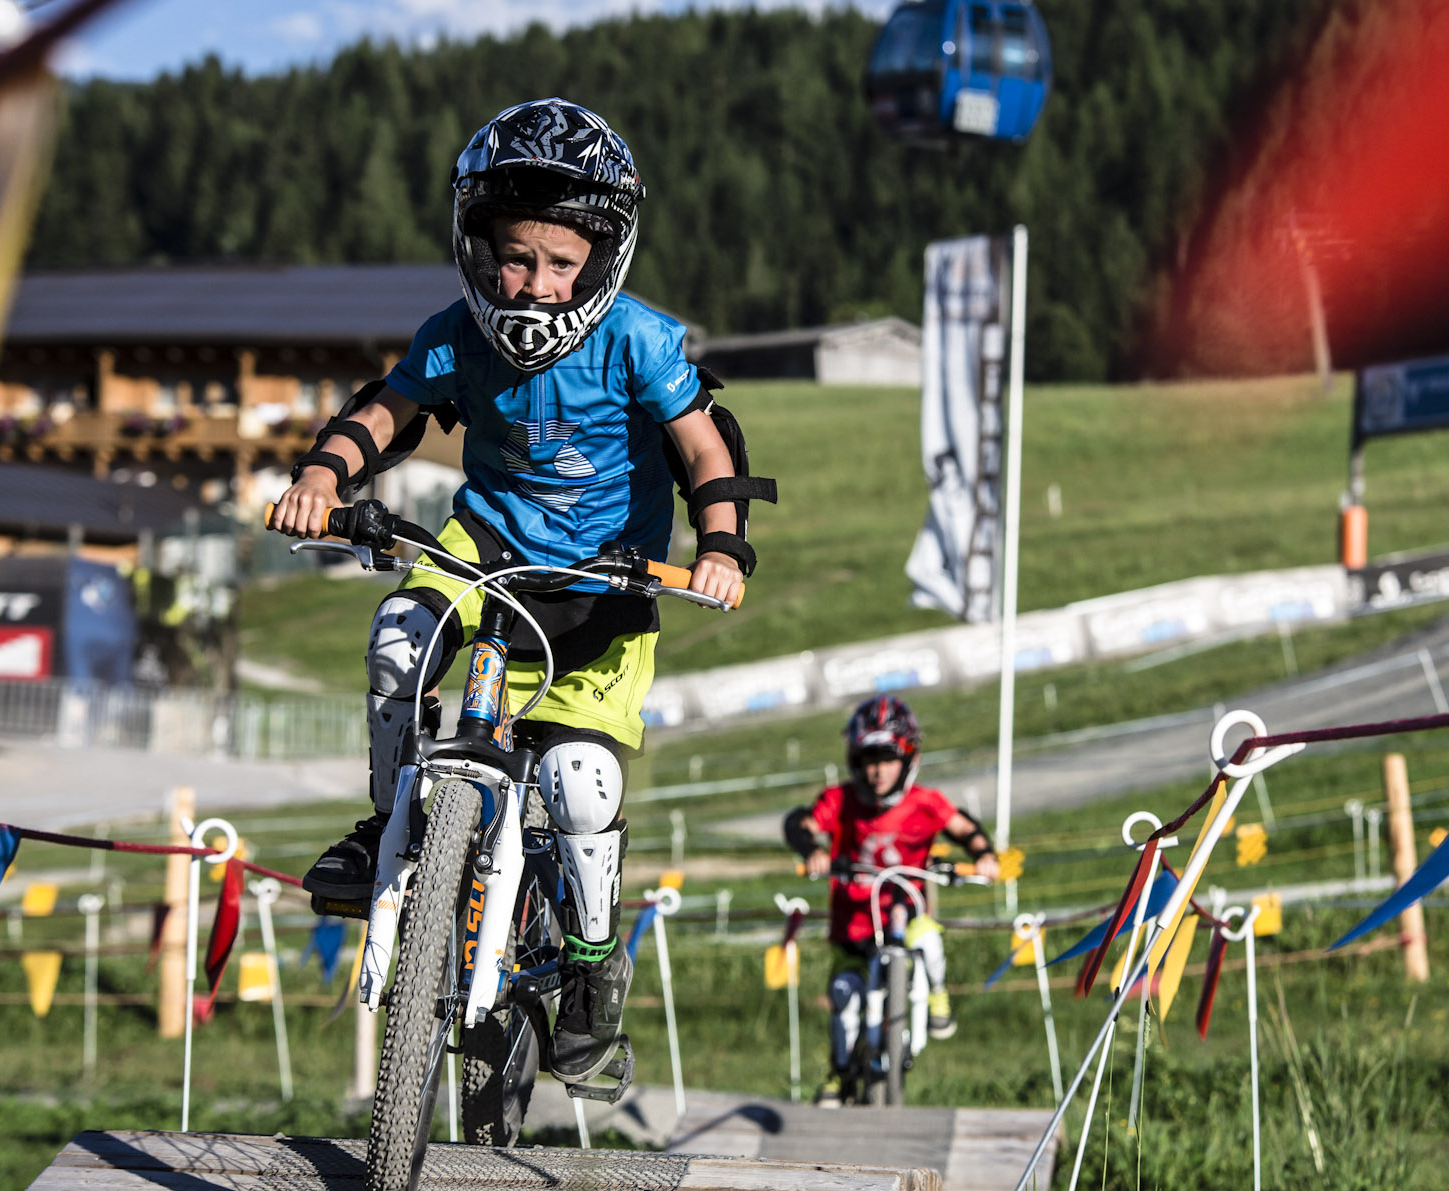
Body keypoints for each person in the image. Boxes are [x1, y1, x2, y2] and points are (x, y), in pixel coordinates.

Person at [269, 98, 773, 1087]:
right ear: (474, 246)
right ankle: (387, 823)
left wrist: (721, 546)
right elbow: (387, 411)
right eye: (512, 256)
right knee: (397, 643)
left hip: (605, 579)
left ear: (602, 256)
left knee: (580, 792)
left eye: (556, 261)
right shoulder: (455, 334)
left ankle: (588, 980)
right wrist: (324, 479)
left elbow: (705, 444)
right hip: (484, 545)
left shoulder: (637, 338)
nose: (532, 282)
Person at [782, 694, 1000, 1105]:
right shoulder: (840, 800)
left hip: (906, 913)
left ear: (909, 757)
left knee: (929, 940)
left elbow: (965, 828)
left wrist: (984, 857)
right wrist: (812, 849)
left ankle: (937, 995)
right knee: (845, 994)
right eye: (868, 759)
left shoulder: (926, 803)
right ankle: (840, 1071)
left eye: (888, 758)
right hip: (853, 924)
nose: (877, 770)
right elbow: (800, 823)